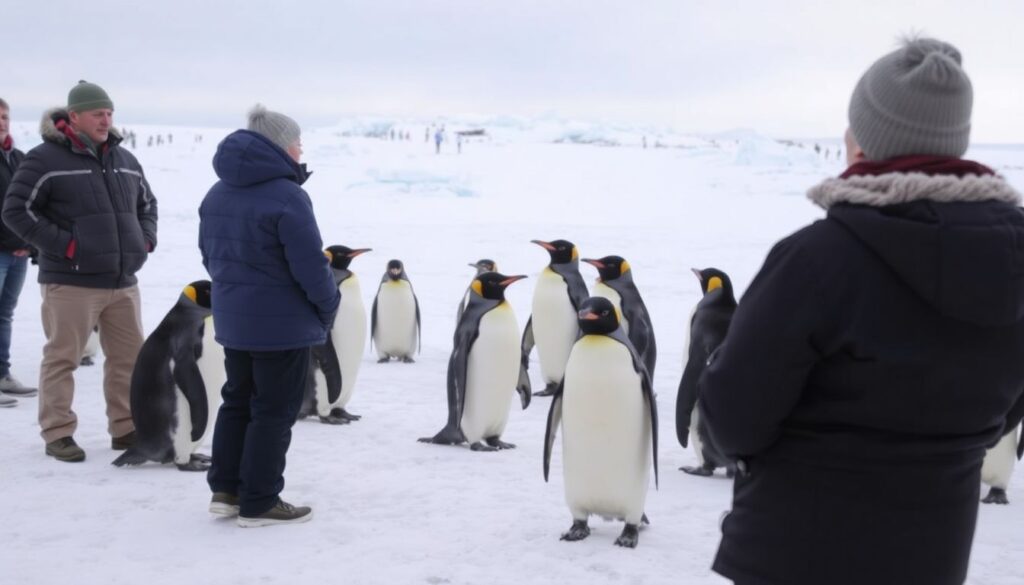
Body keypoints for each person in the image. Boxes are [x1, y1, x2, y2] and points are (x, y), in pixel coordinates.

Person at [699, 38, 1024, 585]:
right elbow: (1006, 409)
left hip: (795, 553)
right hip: (933, 553)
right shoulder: (1014, 261)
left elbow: (733, 419)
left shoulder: (818, 259)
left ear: (865, 144)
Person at [199, 104, 339, 527]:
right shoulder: (287, 195)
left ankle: (226, 490)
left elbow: (210, 257)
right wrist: (328, 305)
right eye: (297, 142)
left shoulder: (217, 192)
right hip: (283, 326)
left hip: (235, 320)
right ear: (280, 146)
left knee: (237, 401)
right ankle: (259, 500)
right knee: (273, 411)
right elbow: (311, 267)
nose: (301, 149)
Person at [2, 81, 157, 461]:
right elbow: (16, 211)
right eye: (97, 114)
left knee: (128, 359)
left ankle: (126, 428)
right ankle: (58, 433)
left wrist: (144, 241)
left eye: (109, 113)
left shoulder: (125, 159)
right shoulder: (44, 159)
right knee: (63, 358)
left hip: (122, 281)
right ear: (73, 117)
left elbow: (148, 204)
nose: (106, 120)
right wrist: (68, 246)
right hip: (70, 281)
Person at [0, 97, 37, 407]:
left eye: (5, 116)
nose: (2, 121)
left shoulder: (19, 158)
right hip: (2, 250)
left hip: (19, 252)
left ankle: (2, 375)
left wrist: (31, 243)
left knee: (4, 315)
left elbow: (32, 206)